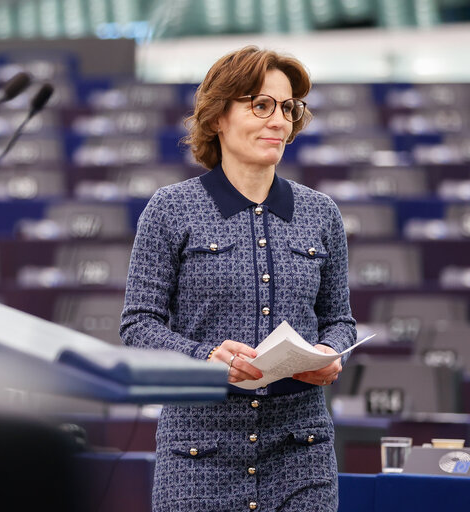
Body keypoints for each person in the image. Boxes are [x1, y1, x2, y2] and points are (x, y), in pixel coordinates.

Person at [120, 46, 356, 512]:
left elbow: (339, 320)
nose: (279, 121)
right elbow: (137, 326)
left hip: (300, 451)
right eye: (261, 105)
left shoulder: (322, 213)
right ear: (217, 117)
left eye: (288, 108)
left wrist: (330, 352)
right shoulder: (170, 209)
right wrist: (203, 355)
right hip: (198, 455)